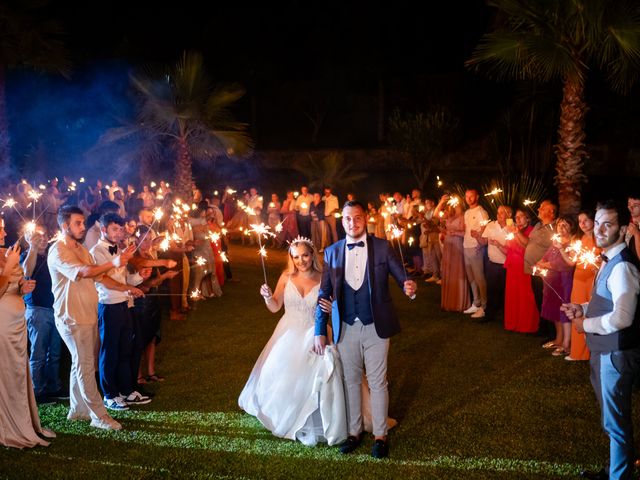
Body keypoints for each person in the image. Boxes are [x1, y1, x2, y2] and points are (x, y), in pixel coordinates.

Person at [313, 201, 417, 459]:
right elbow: (324, 293)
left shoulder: (382, 247)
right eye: (347, 219)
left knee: (378, 382)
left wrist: (408, 287)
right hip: (345, 327)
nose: (352, 223)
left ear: (365, 219)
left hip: (376, 326)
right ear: (342, 221)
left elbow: (400, 276)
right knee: (350, 381)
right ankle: (354, 432)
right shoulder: (332, 252)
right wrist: (319, 329)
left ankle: (380, 436)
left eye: (357, 218)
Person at [239, 237, 347, 446]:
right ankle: (285, 411)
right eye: (296, 257)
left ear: (313, 254)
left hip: (315, 331)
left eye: (305, 255)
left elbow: (335, 305)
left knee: (320, 374)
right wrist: (268, 297)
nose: (301, 261)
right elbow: (275, 306)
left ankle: (319, 416)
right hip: (287, 331)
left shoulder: (324, 277)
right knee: (281, 372)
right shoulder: (286, 277)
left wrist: (332, 305)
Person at [562, 200, 640, 480]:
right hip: (603, 352)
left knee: (616, 423)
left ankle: (619, 476)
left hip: (615, 355)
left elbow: (622, 318)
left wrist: (586, 324)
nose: (599, 230)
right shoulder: (607, 260)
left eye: (608, 224)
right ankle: (616, 470)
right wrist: (582, 308)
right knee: (612, 420)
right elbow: (604, 301)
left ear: (622, 229)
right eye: (597, 223)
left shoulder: (623, 267)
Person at [48, 205, 131, 430]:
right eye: (78, 223)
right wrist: (115, 262)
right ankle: (99, 416)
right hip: (71, 317)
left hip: (88, 315)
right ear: (65, 226)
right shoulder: (58, 250)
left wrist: (125, 288)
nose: (83, 227)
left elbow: (99, 275)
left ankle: (78, 410)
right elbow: (83, 272)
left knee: (80, 364)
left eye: (83, 223)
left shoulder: (82, 249)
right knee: (85, 365)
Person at [0, 219, 55, 448]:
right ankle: (8, 427)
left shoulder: (6, 251)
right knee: (7, 372)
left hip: (17, 320)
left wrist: (23, 288)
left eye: (3, 226)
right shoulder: (9, 255)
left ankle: (25, 421)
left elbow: (14, 284)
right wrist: (10, 264)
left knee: (18, 372)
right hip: (3, 322)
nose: (4, 231)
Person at [90, 213, 151, 411]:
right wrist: (126, 285)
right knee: (110, 351)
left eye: (120, 229)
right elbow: (104, 280)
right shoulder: (96, 251)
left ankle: (126, 390)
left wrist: (139, 277)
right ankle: (109, 394)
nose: (118, 233)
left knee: (126, 349)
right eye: (114, 229)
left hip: (126, 304)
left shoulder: (120, 250)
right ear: (104, 229)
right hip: (108, 306)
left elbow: (125, 280)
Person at [21, 227, 66, 404]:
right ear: (28, 238)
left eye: (45, 234)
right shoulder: (27, 255)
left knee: (54, 352)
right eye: (37, 235)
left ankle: (54, 386)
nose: (43, 238)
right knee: (38, 353)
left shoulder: (52, 254)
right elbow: (27, 272)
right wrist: (32, 248)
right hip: (38, 309)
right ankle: (36, 391)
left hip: (55, 308)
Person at [537, 216, 576, 356]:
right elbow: (547, 255)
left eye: (565, 225)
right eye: (560, 225)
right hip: (551, 280)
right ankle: (558, 339)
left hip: (564, 281)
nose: (562, 227)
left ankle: (567, 343)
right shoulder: (556, 241)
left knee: (564, 309)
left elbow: (565, 264)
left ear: (571, 227)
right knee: (554, 310)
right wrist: (541, 261)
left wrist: (546, 265)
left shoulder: (573, 242)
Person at [566, 210, 599, 361]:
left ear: (593, 220)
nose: (583, 223)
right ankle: (578, 352)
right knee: (577, 311)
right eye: (580, 221)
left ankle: (595, 351)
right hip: (579, 278)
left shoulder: (600, 238)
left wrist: (598, 265)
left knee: (593, 312)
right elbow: (571, 262)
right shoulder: (577, 240)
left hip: (593, 278)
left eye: (586, 220)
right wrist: (561, 249)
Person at [524, 200, 558, 339]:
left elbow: (554, 250)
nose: (539, 208)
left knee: (547, 301)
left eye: (543, 208)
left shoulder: (554, 228)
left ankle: (552, 332)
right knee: (538, 299)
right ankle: (542, 327)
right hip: (533, 270)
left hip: (545, 271)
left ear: (551, 212)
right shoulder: (538, 225)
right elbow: (529, 243)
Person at [503, 209, 539, 333]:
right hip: (513, 268)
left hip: (524, 268)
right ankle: (513, 323)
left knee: (525, 296)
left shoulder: (531, 231)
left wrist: (517, 233)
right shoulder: (514, 231)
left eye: (521, 216)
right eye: (516, 217)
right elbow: (509, 247)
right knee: (513, 296)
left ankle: (526, 325)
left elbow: (527, 245)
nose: (517, 219)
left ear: (528, 219)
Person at [478, 205, 511, 322]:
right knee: (491, 290)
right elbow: (483, 242)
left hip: (506, 265)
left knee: (505, 292)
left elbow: (513, 249)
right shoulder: (491, 225)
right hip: (492, 263)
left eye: (502, 212)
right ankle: (489, 315)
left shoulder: (512, 227)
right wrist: (478, 235)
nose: (499, 214)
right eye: (498, 212)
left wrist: (499, 244)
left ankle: (506, 316)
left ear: (509, 215)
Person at [438, 195, 471, 311]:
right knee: (449, 272)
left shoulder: (463, 216)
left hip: (457, 245)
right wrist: (441, 202)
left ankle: (459, 303)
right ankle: (449, 302)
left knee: (458, 272)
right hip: (448, 246)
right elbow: (435, 216)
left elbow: (465, 233)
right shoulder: (449, 215)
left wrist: (455, 233)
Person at [462, 189, 489, 319]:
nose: (469, 198)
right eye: (467, 196)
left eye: (471, 196)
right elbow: (465, 230)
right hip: (466, 246)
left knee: (479, 277)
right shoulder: (467, 212)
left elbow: (485, 229)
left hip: (475, 248)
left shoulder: (481, 212)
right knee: (471, 277)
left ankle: (484, 306)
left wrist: (480, 243)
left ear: (477, 196)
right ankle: (476, 302)